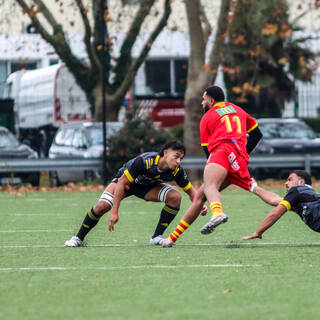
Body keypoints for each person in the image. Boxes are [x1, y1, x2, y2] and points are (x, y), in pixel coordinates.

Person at [162, 85, 281, 247]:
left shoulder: (207, 117)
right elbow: (257, 134)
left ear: (211, 100)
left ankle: (217, 213)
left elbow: (207, 151)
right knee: (204, 196)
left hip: (222, 152)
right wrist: (242, 153)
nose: (202, 103)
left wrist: (215, 168)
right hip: (238, 158)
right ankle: (294, 203)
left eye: (203, 100)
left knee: (210, 185)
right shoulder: (238, 110)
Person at [64, 140, 207, 247]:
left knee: (175, 197)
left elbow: (190, 191)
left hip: (146, 187)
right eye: (176, 157)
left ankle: (156, 236)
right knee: (102, 206)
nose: (178, 161)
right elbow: (122, 183)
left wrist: (199, 204)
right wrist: (114, 212)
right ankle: (78, 238)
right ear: (165, 153)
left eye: (181, 158)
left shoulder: (177, 171)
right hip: (125, 183)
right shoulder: (145, 162)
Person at [243, 170, 320, 240]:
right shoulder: (304, 197)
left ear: (301, 182)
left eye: (290, 180)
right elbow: (274, 199)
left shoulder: (297, 190)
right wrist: (254, 188)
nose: (286, 183)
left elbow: (275, 214)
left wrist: (258, 232)